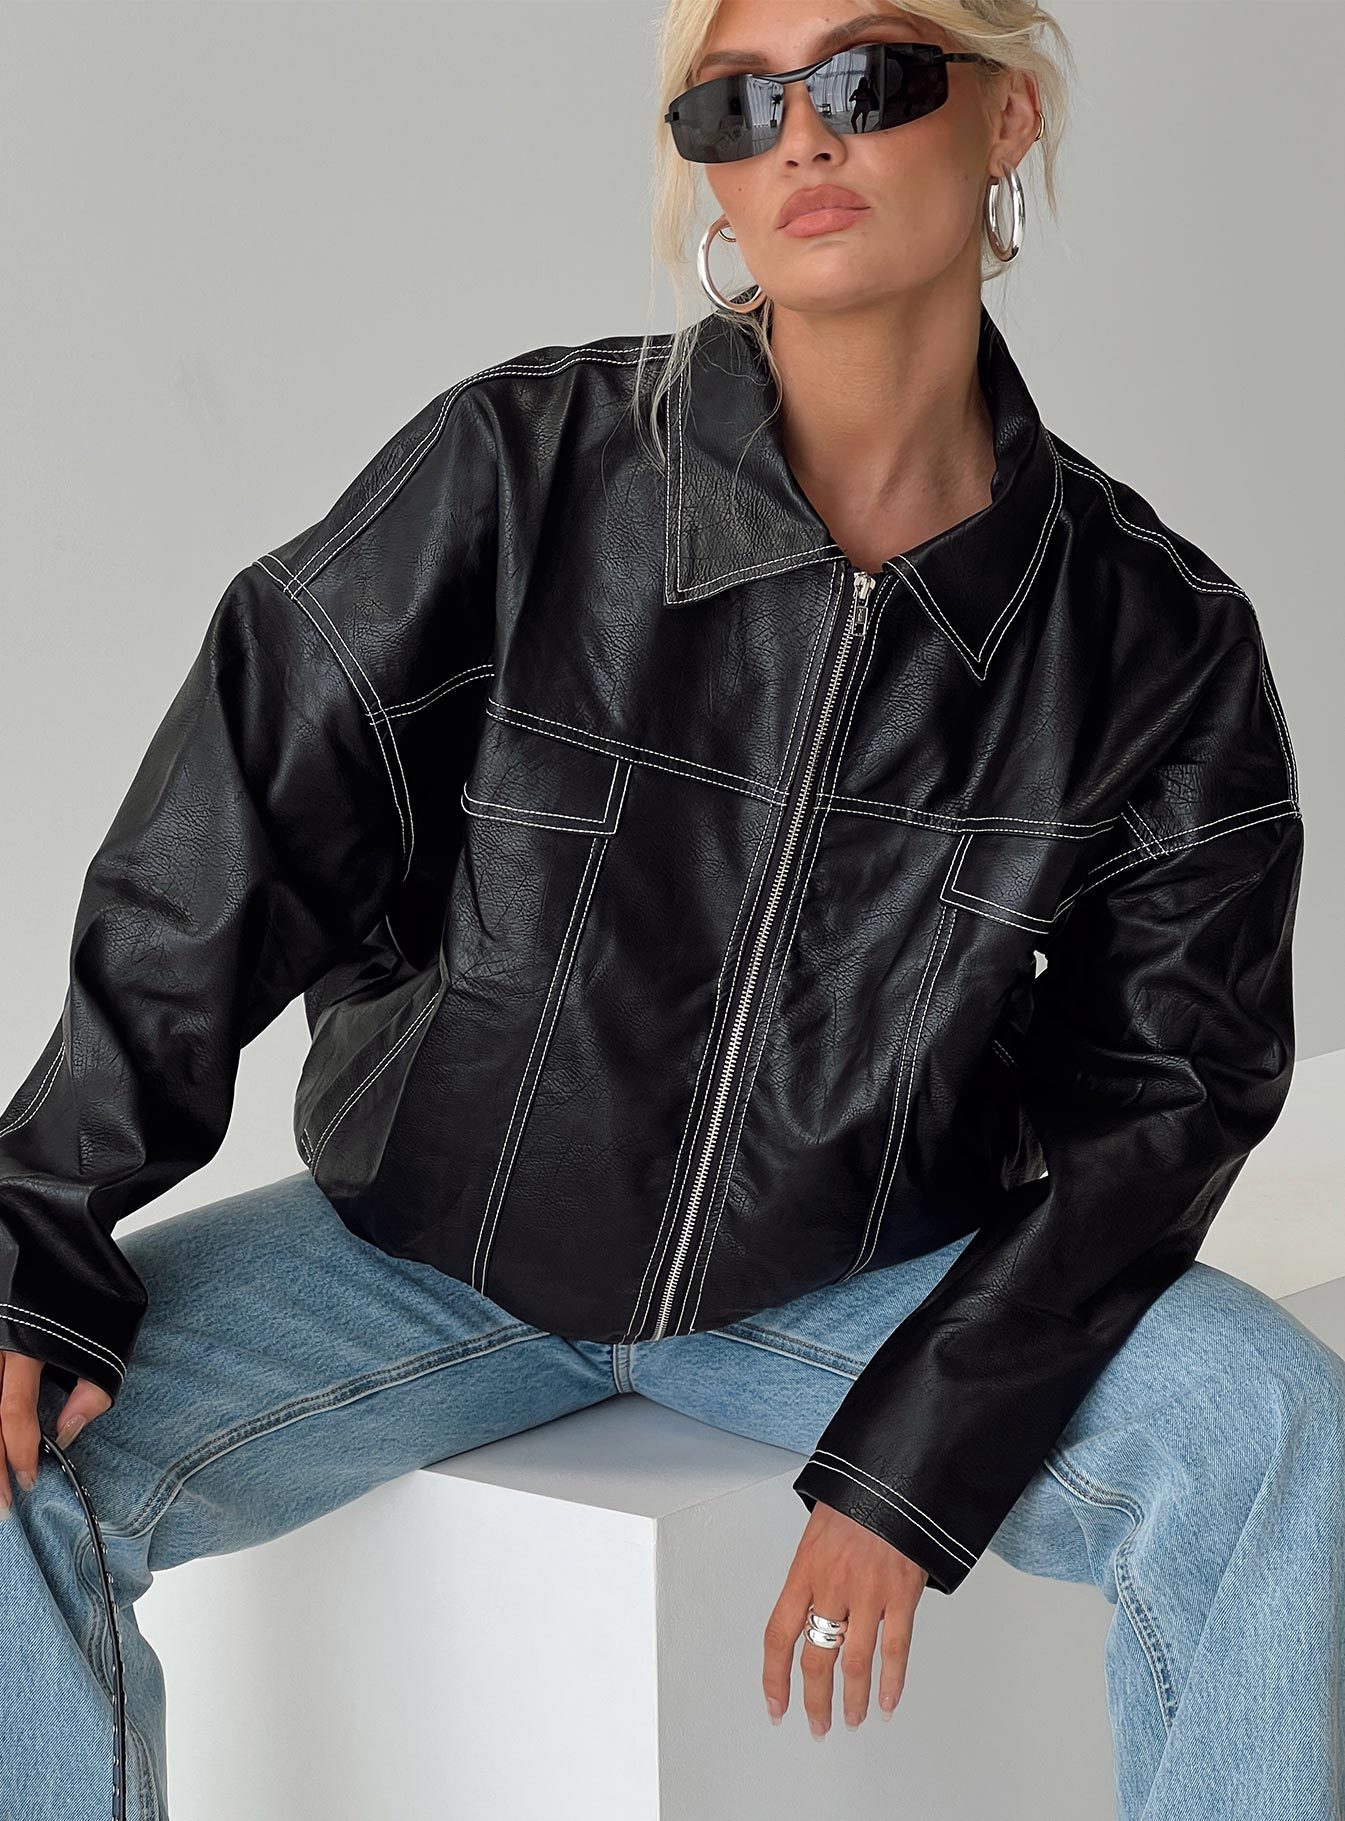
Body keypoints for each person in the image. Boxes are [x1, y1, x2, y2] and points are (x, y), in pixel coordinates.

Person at [2, 3, 1339, 1817]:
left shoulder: (1150, 640)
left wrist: (915, 1460)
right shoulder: (520, 469)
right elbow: (223, 846)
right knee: (8, 1445)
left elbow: (1162, 1099)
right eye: (733, 103)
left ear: (1007, 115)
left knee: (1266, 1429)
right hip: (427, 1243)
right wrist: (34, 1234)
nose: (801, 137)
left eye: (868, 77)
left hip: (854, 1279)